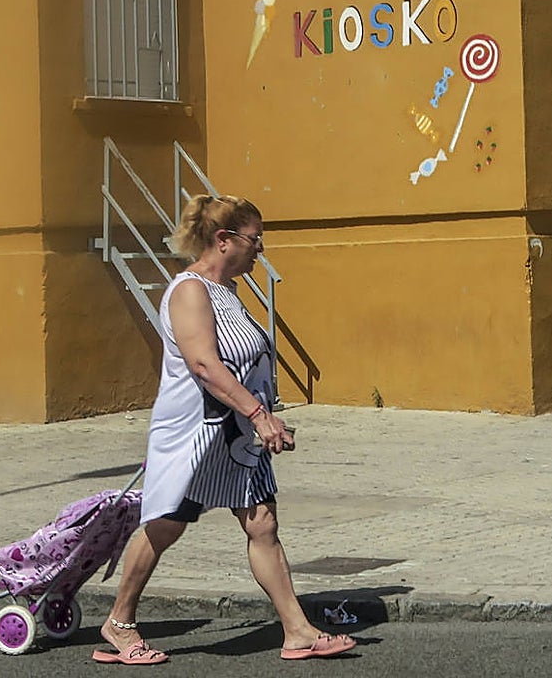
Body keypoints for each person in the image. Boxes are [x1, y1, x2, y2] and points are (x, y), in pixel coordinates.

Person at [92, 194, 357, 665]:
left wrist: (264, 417)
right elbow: (204, 365)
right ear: (224, 240)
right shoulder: (189, 290)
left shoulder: (227, 292)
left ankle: (297, 632)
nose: (260, 250)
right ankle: (119, 622)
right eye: (255, 240)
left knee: (262, 523)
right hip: (196, 435)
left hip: (236, 436)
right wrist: (259, 414)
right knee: (165, 526)